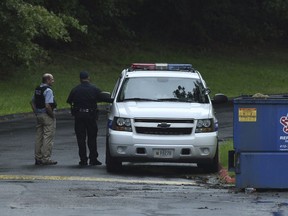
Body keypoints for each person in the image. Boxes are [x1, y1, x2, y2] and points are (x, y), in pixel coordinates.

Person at [66, 71, 113, 166]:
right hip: (90, 116)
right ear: (88, 77)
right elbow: (105, 98)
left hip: (79, 116)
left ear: (80, 79)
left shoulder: (75, 89)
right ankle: (93, 159)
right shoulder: (94, 89)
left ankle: (83, 160)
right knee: (92, 137)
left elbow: (69, 101)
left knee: (81, 139)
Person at [30, 73, 57, 165]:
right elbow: (47, 105)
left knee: (39, 137)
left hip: (39, 115)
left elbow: (32, 102)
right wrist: (52, 115)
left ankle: (38, 158)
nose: (53, 81)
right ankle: (46, 158)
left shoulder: (38, 89)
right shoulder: (48, 90)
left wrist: (36, 113)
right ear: (48, 80)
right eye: (52, 79)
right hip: (46, 115)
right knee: (48, 137)